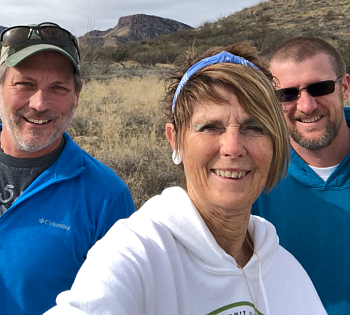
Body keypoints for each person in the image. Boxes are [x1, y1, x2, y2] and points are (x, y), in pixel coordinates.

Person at [45, 42, 326, 315]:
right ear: (175, 139)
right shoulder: (137, 256)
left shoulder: (285, 268)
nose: (233, 147)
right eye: (210, 127)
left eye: (254, 127)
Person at [0, 22, 135, 315]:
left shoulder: (106, 198)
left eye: (58, 88)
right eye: (25, 84)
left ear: (77, 94)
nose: (39, 104)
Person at [252, 36, 350, 314]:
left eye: (319, 88)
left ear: (344, 87)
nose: (306, 106)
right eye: (288, 94)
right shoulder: (254, 178)